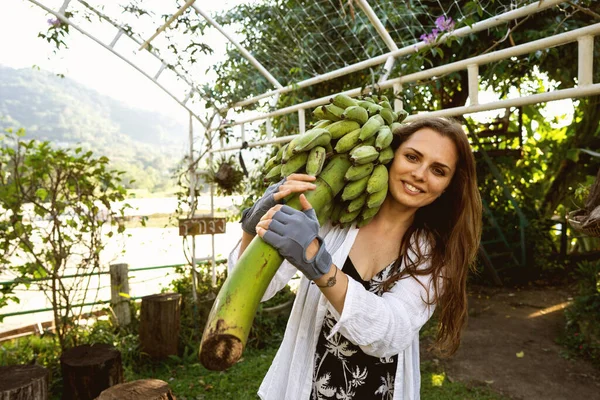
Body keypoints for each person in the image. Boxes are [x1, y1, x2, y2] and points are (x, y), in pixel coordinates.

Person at [229, 117, 482, 400]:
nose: (420, 174)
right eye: (412, 157)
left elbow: (390, 333)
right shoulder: (331, 218)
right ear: (390, 155)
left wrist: (318, 263)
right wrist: (252, 228)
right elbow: (259, 290)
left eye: (438, 170)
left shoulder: (434, 253)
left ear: (448, 185)